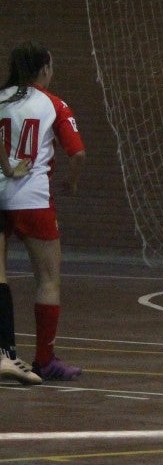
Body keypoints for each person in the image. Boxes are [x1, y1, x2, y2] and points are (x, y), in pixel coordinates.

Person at [0, 42, 86, 382]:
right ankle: (45, 359)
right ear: (44, 69)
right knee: (48, 280)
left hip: (1, 197)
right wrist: (72, 183)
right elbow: (77, 153)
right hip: (33, 199)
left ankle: (5, 353)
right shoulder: (54, 104)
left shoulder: (1, 99)